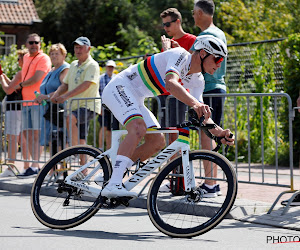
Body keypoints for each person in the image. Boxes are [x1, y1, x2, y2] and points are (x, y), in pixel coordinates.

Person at [100, 35, 234, 198]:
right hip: (120, 87)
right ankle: (113, 183)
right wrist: (195, 104)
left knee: (157, 142)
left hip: (137, 97)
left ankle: (113, 174)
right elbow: (171, 83)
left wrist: (219, 133)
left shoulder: (198, 80)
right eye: (217, 59)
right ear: (203, 53)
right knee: (138, 128)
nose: (219, 65)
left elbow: (203, 115)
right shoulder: (180, 55)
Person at [191, 0, 228, 196]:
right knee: (210, 134)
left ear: (199, 13)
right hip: (217, 87)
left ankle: (211, 184)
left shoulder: (205, 36)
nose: (193, 16)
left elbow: (192, 63)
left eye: (193, 12)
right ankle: (212, 182)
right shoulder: (220, 32)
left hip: (209, 88)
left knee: (207, 137)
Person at [51, 37, 101, 175]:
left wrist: (65, 96)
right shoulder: (73, 64)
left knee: (70, 119)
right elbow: (65, 84)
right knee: (81, 138)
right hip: (75, 105)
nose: (77, 50)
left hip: (88, 105)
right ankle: (83, 170)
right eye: (76, 47)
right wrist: (56, 95)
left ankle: (73, 150)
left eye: (81, 47)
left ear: (88, 48)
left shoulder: (93, 65)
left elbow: (86, 84)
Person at [15, 33, 51, 177]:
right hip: (26, 102)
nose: (33, 45)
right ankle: (31, 165)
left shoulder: (44, 58)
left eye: (36, 42)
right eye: (31, 42)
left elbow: (37, 77)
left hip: (37, 101)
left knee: (36, 134)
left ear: (40, 44)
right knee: (27, 133)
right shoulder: (25, 57)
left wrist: (21, 85)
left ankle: (35, 166)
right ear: (26, 44)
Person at [159, 7, 197, 131]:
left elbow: (191, 69)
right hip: (164, 93)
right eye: (164, 25)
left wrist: (168, 51)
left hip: (178, 93)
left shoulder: (192, 40)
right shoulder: (168, 43)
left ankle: (180, 152)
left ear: (178, 21)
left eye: (168, 24)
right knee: (166, 132)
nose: (165, 28)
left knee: (177, 132)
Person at [34, 43, 70, 151]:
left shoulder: (64, 69)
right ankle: (53, 167)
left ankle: (62, 166)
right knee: (51, 141)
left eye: (57, 54)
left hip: (59, 110)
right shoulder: (51, 71)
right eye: (52, 54)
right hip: (48, 111)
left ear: (64, 55)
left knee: (59, 139)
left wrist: (46, 96)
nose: (54, 56)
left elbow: (65, 88)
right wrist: (40, 97)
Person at [0, 49, 29, 177]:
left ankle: (11, 167)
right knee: (22, 139)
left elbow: (8, 90)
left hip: (14, 109)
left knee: (12, 138)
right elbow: (13, 86)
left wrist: (1, 77)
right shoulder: (27, 73)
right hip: (21, 108)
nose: (17, 61)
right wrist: (5, 76)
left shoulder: (20, 73)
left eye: (19, 58)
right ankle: (27, 166)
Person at [98, 60, 119, 150]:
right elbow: (98, 93)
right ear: (106, 67)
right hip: (104, 107)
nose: (110, 69)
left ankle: (109, 149)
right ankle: (100, 148)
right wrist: (99, 108)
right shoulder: (101, 78)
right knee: (103, 127)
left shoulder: (116, 78)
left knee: (111, 129)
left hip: (114, 108)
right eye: (109, 67)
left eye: (112, 67)